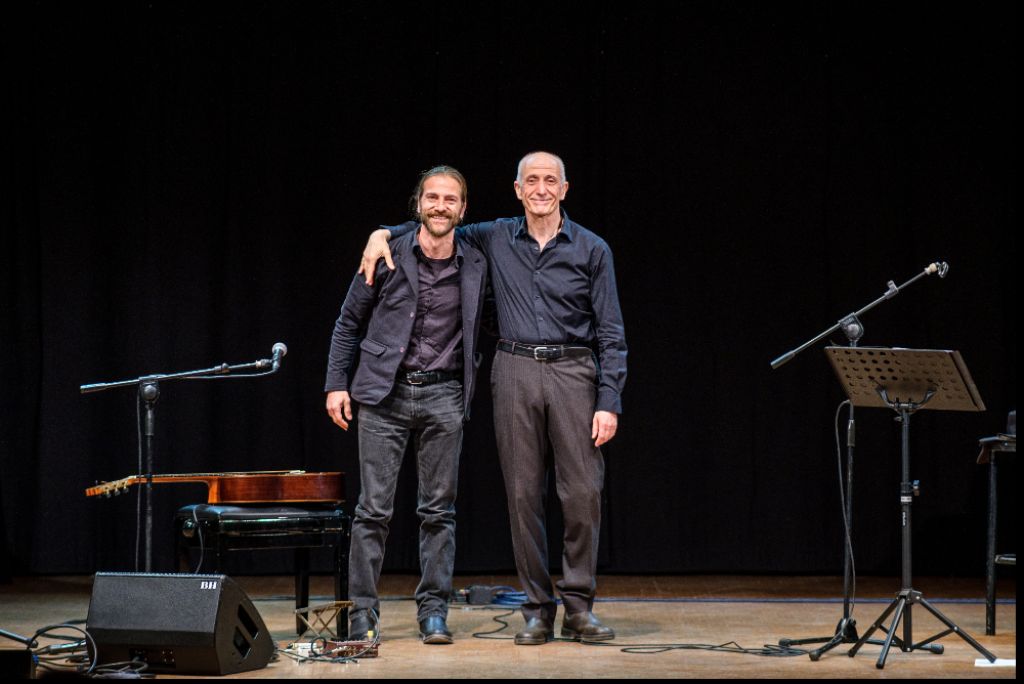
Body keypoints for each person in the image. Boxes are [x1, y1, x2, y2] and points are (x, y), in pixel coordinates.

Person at [360, 152, 626, 645]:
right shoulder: (493, 235)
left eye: (550, 180)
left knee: (582, 493)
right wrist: (381, 233)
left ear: (564, 189)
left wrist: (609, 398)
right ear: (518, 189)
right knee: (523, 495)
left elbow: (611, 333)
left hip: (574, 369)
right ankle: (537, 609)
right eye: (532, 181)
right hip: (515, 366)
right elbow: (436, 222)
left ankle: (580, 606)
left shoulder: (592, 248)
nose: (541, 188)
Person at [325, 166, 488, 644]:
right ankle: (362, 614)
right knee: (372, 511)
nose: (441, 206)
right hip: (383, 393)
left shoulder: (477, 263)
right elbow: (347, 323)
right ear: (418, 203)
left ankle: (433, 611)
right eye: (432, 197)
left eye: (450, 199)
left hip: (445, 394)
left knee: (439, 511)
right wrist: (336, 383)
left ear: (463, 209)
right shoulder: (388, 252)